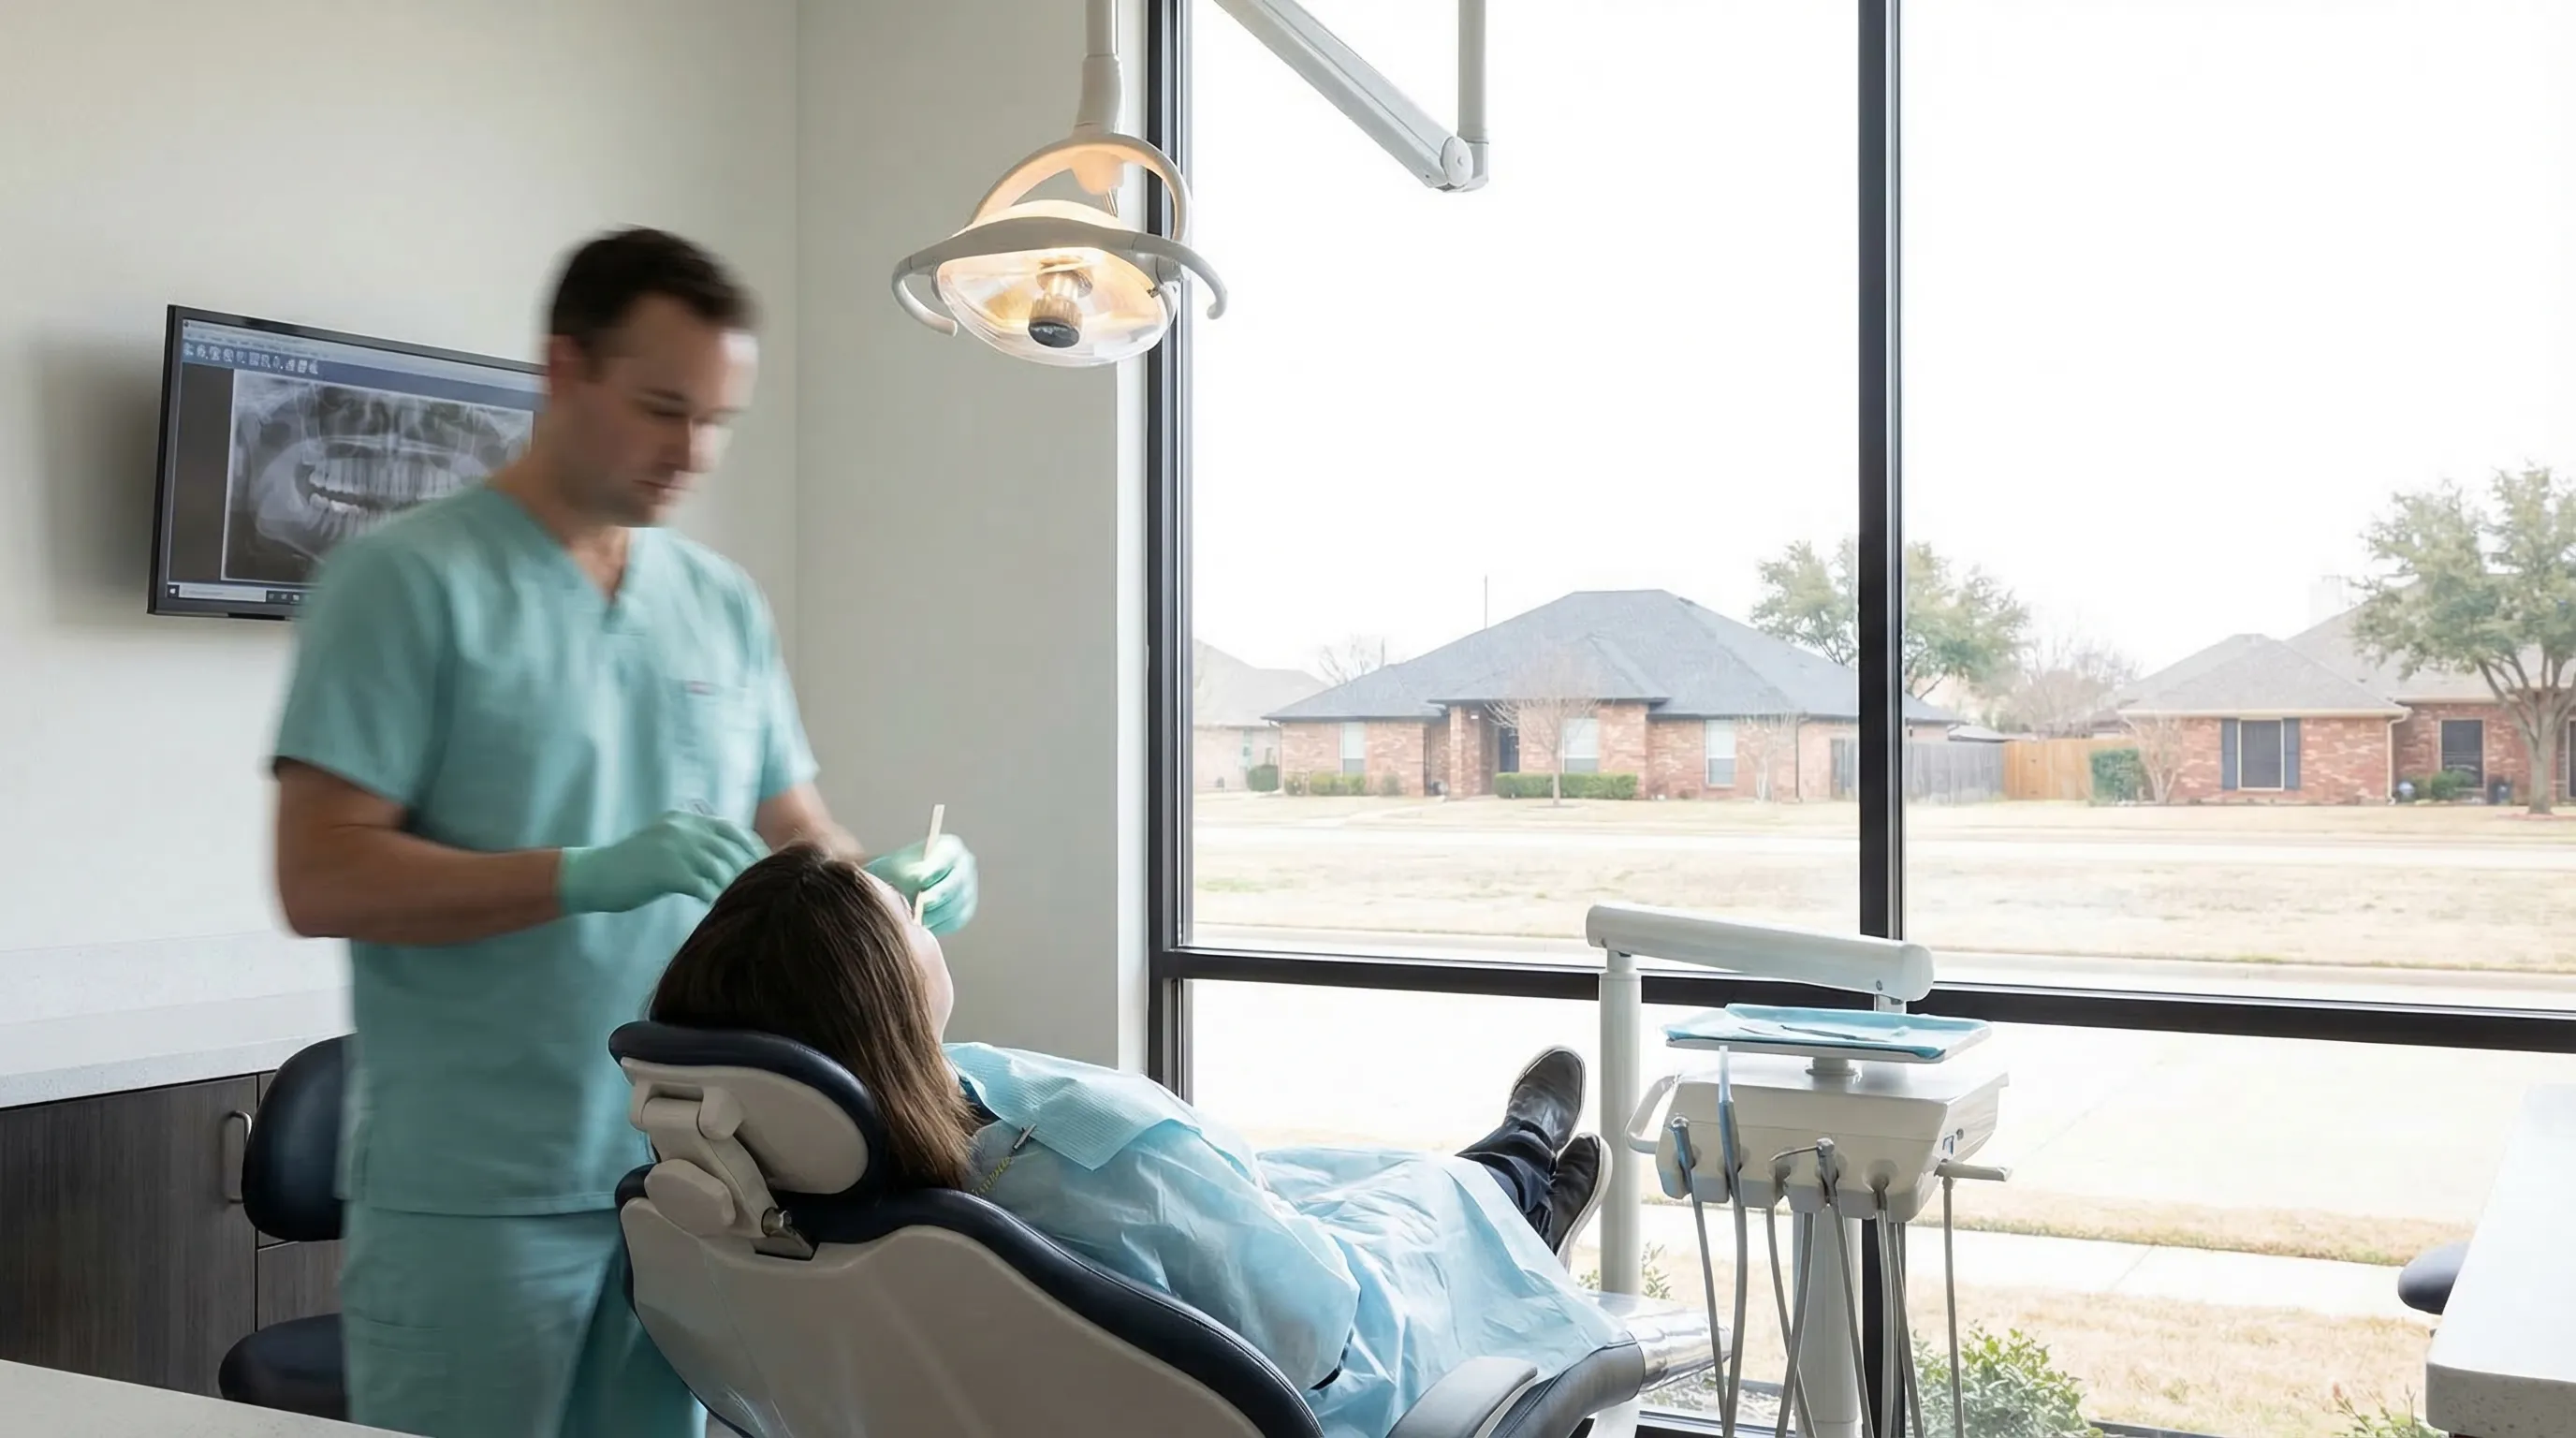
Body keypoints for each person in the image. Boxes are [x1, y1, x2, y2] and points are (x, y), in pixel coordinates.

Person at [269, 228, 979, 1438]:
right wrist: (582, 876)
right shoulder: (403, 586)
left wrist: (883, 891)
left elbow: (796, 834)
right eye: (662, 409)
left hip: (694, 1186)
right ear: (565, 371)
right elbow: (319, 873)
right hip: (477, 1195)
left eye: (716, 421)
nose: (690, 454)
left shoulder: (715, 605)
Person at [648, 846, 1619, 1438]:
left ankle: (1508, 1164)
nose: (918, 913)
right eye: (900, 913)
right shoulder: (1104, 1155)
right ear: (882, 1007)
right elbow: (1314, 1329)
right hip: (1319, 1368)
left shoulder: (770, 1203)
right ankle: (1520, 1180)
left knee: (1344, 1176)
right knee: (1423, 1207)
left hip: (1058, 1366)